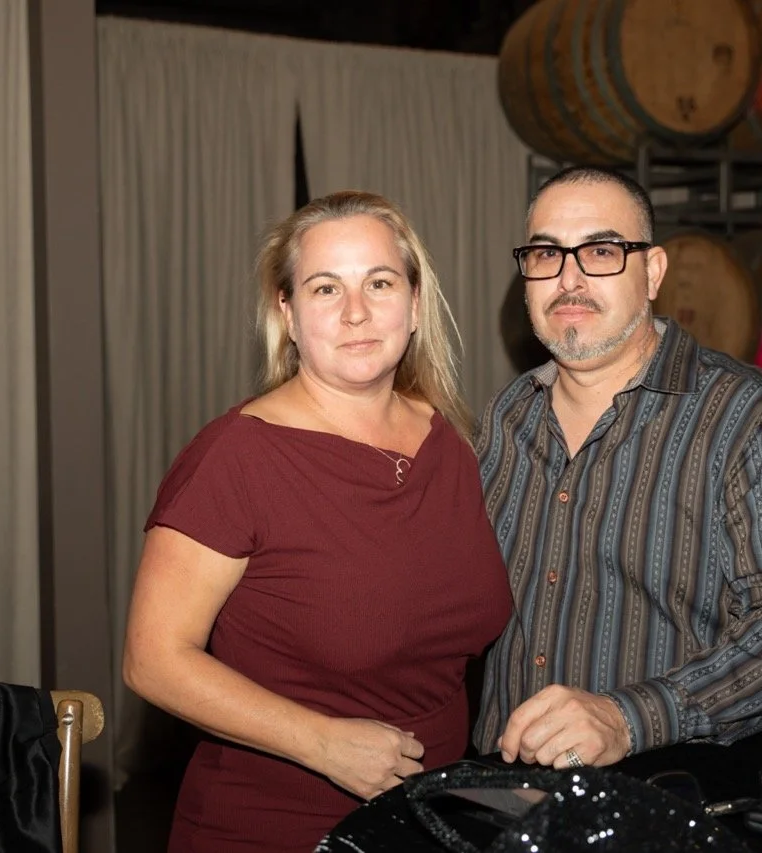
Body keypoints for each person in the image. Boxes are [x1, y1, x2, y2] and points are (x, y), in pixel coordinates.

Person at [123, 190, 513, 853]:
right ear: (288, 313)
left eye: (380, 282)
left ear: (416, 305)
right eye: (326, 287)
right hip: (279, 827)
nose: (356, 312)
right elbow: (153, 660)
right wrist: (324, 743)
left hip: (436, 824)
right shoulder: (237, 456)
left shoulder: (451, 444)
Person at [473, 166, 762, 770]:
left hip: (667, 787)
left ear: (652, 272)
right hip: (498, 784)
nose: (568, 279)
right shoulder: (506, 416)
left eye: (600, 250)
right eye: (546, 254)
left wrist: (630, 718)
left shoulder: (755, 418)